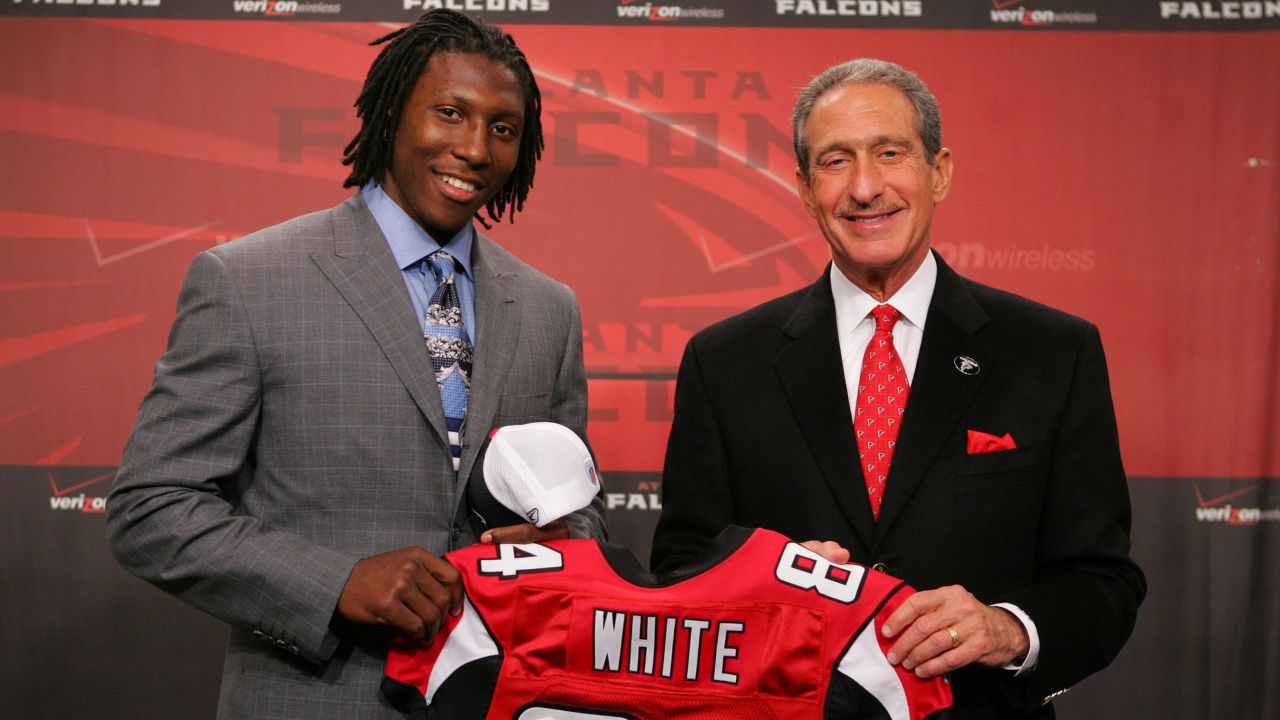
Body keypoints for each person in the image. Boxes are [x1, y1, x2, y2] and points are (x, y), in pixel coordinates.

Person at [106, 10, 605, 719]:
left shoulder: (550, 309)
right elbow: (151, 509)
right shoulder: (249, 279)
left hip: (502, 700)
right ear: (393, 112)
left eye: (503, 128)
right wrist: (335, 582)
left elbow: (581, 512)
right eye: (449, 113)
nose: (473, 148)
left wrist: (560, 545)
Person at [650, 58, 1145, 719]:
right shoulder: (724, 362)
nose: (864, 187)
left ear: (938, 172)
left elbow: (1102, 582)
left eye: (889, 153)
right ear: (803, 186)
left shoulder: (1053, 353)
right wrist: (758, 581)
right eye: (835, 161)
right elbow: (680, 566)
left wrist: (1007, 628)